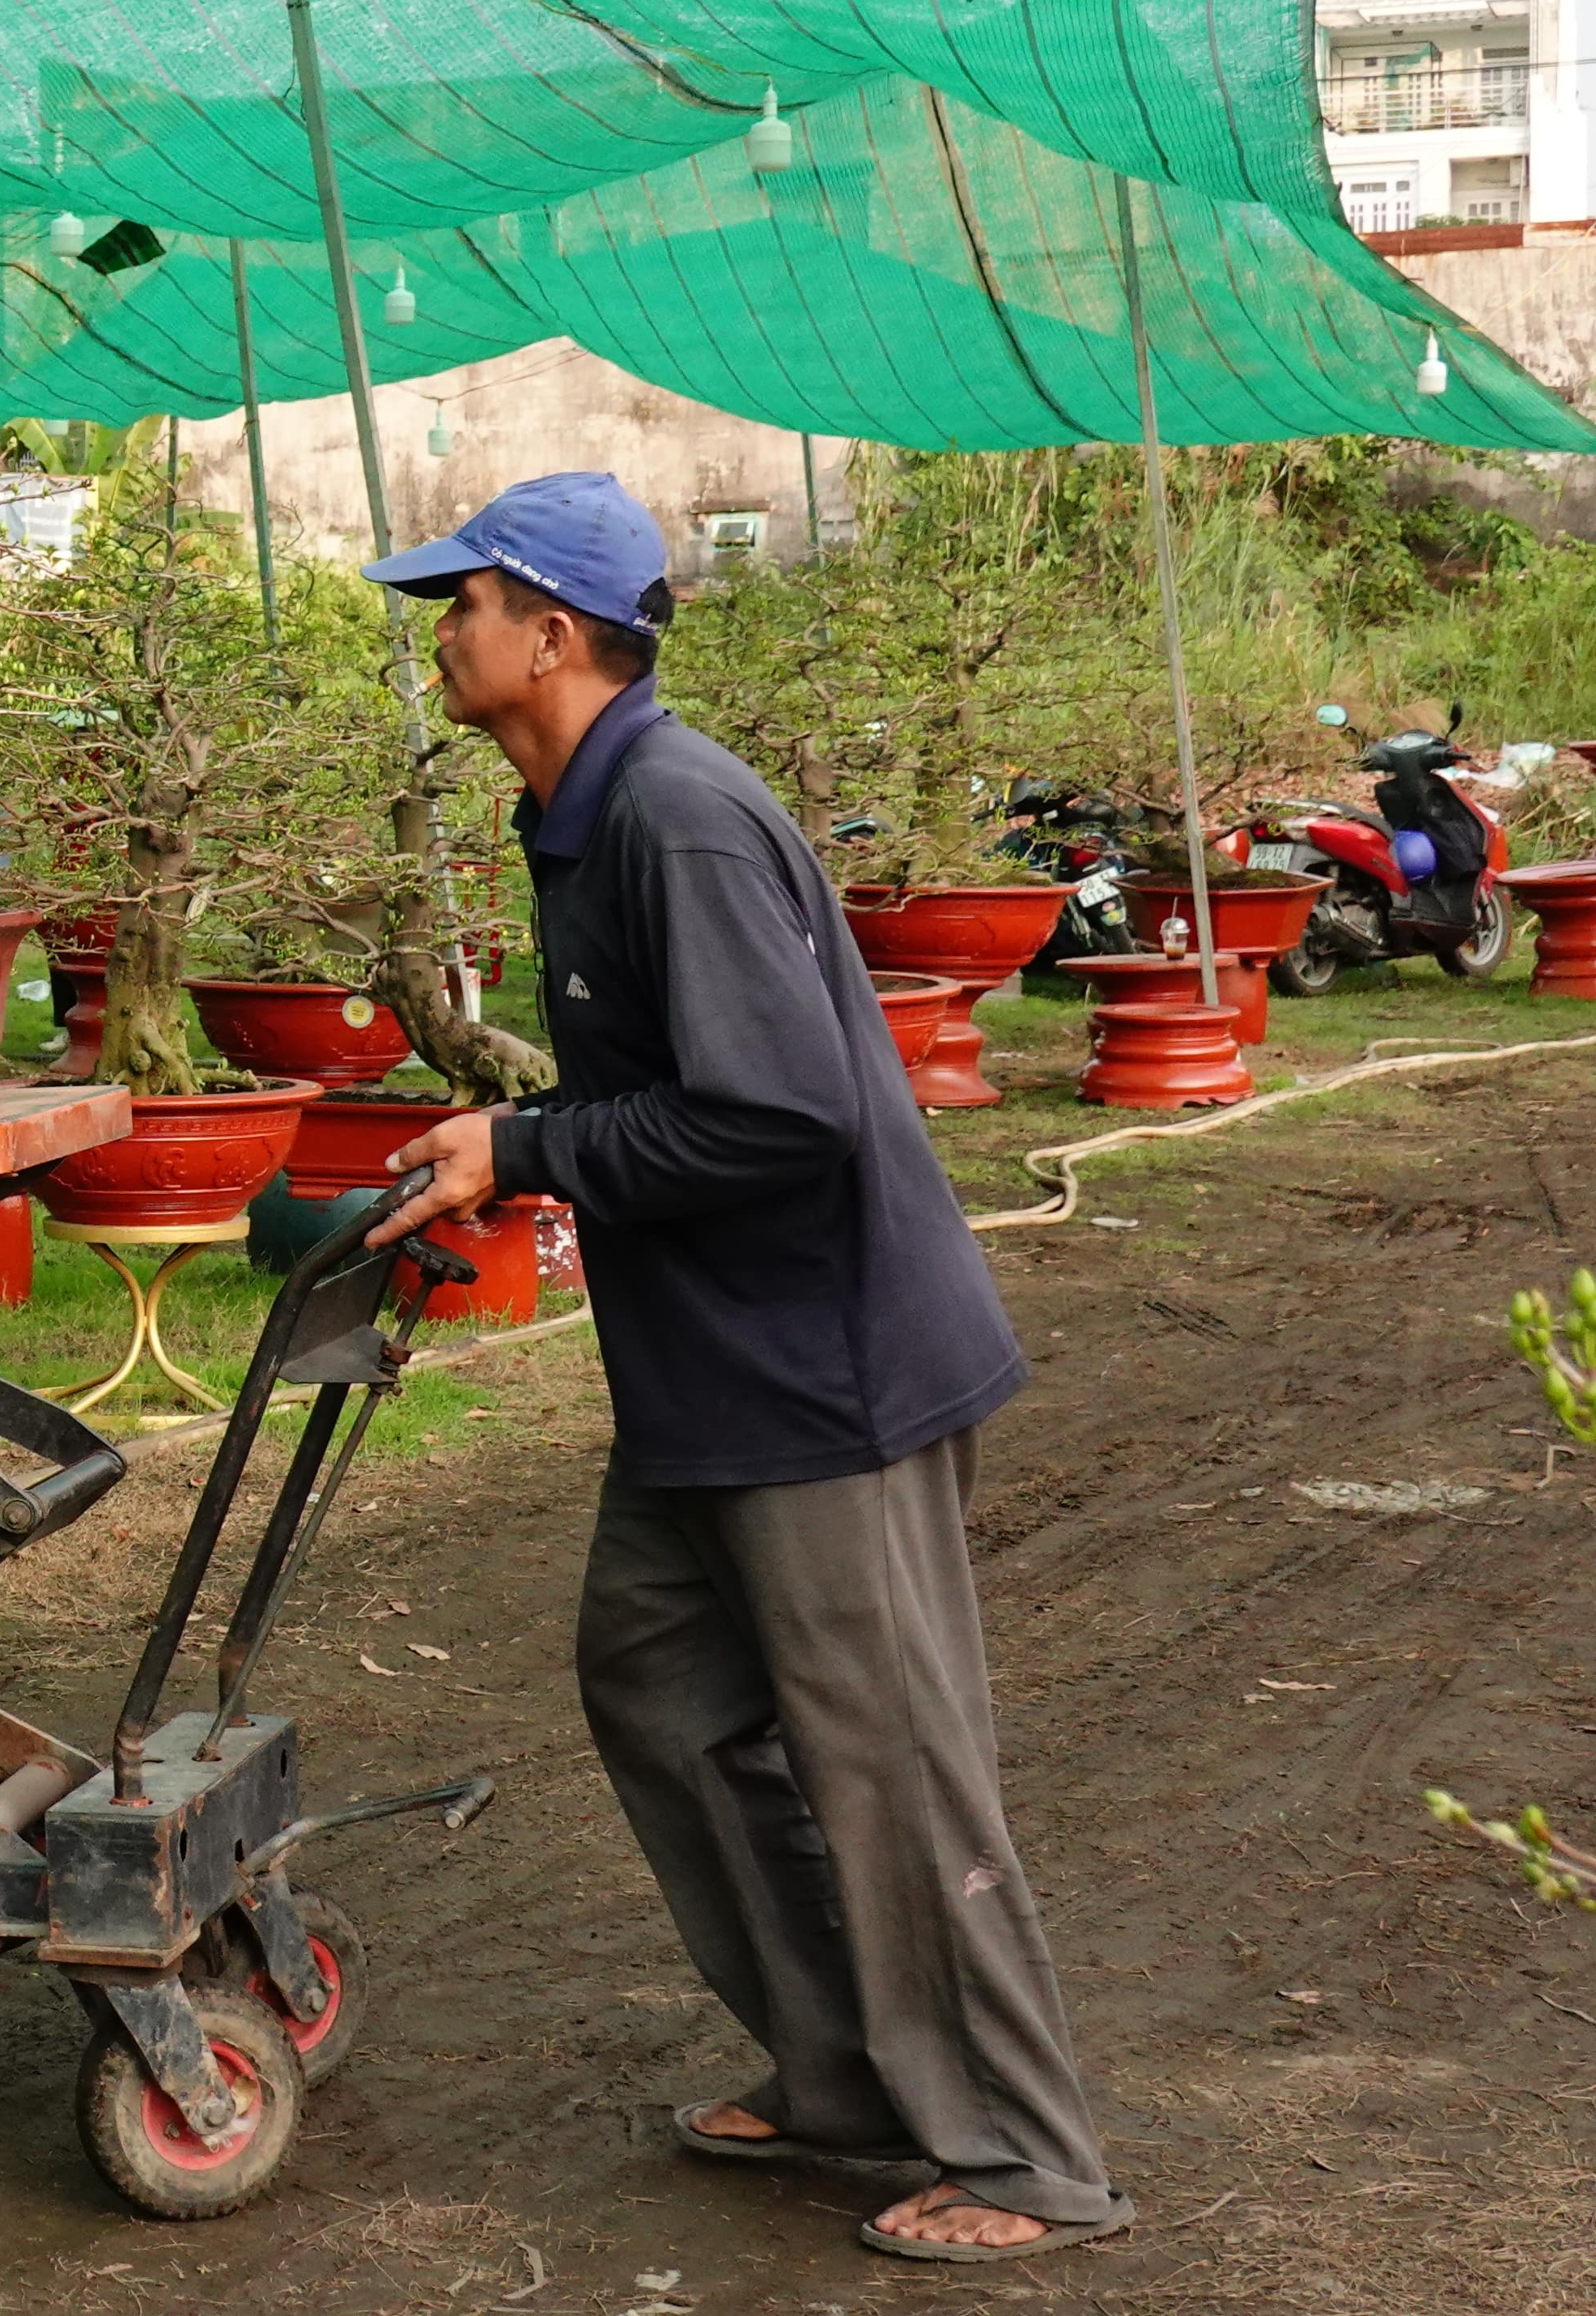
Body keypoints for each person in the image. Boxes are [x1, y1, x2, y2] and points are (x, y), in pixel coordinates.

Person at [357, 474, 1131, 2267]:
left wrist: (533, 1151)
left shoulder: (675, 822)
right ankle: (851, 2072)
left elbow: (773, 1116)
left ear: (550, 637)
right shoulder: (587, 810)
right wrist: (520, 1138)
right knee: (658, 1687)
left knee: (895, 1762)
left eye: (458, 605)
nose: (439, 636)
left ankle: (1028, 2153)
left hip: (824, 1376)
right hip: (719, 1370)